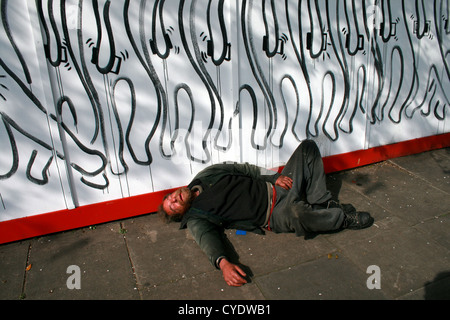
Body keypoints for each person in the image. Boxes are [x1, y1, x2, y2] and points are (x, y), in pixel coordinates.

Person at [158, 140, 374, 287]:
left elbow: (244, 169)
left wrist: (273, 177)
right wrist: (223, 263)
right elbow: (207, 238)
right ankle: (342, 219)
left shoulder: (206, 174)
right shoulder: (196, 217)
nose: (174, 199)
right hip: (274, 214)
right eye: (173, 206)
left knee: (308, 147)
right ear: (181, 214)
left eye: (170, 197)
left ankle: (323, 203)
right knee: (298, 214)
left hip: (278, 188)